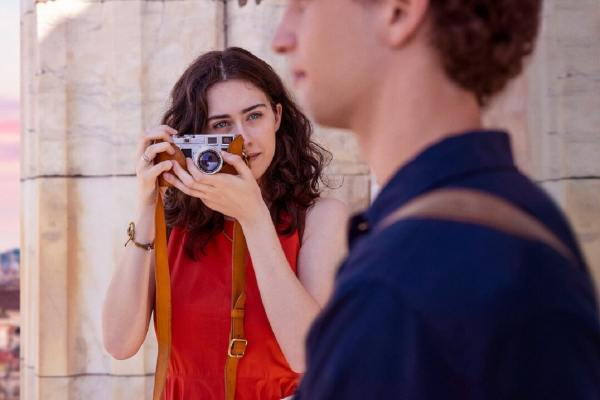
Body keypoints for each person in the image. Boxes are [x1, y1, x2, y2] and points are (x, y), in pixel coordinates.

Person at [271, 0, 600, 398]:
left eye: (302, 6)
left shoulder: (402, 284)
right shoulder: (525, 214)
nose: (280, 38)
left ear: (399, 11)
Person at [101, 47, 348, 399]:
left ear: (277, 117)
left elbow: (307, 355)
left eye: (254, 116)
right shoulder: (174, 225)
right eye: (221, 125)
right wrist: (146, 207)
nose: (243, 138)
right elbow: (119, 343)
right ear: (196, 137)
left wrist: (254, 218)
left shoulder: (318, 218)